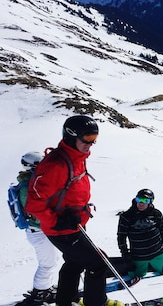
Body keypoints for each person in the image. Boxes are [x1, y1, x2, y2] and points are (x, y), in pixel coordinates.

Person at [26, 115, 120, 306]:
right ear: (71, 136)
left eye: (94, 140)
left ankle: (66, 302)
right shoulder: (55, 165)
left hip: (74, 223)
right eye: (86, 139)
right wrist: (56, 221)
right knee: (98, 264)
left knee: (75, 263)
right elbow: (34, 203)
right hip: (61, 228)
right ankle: (97, 303)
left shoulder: (76, 157)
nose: (90, 145)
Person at [14, 151, 59, 306]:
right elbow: (35, 212)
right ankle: (39, 292)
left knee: (51, 259)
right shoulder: (27, 187)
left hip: (41, 230)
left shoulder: (32, 183)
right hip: (37, 231)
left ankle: (45, 287)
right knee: (47, 262)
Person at [117, 188, 163, 278]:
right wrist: (126, 257)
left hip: (158, 254)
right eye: (139, 199)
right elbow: (121, 237)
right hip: (138, 257)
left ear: (150, 202)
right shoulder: (127, 216)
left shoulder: (156, 214)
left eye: (145, 200)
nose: (141, 203)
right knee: (134, 276)